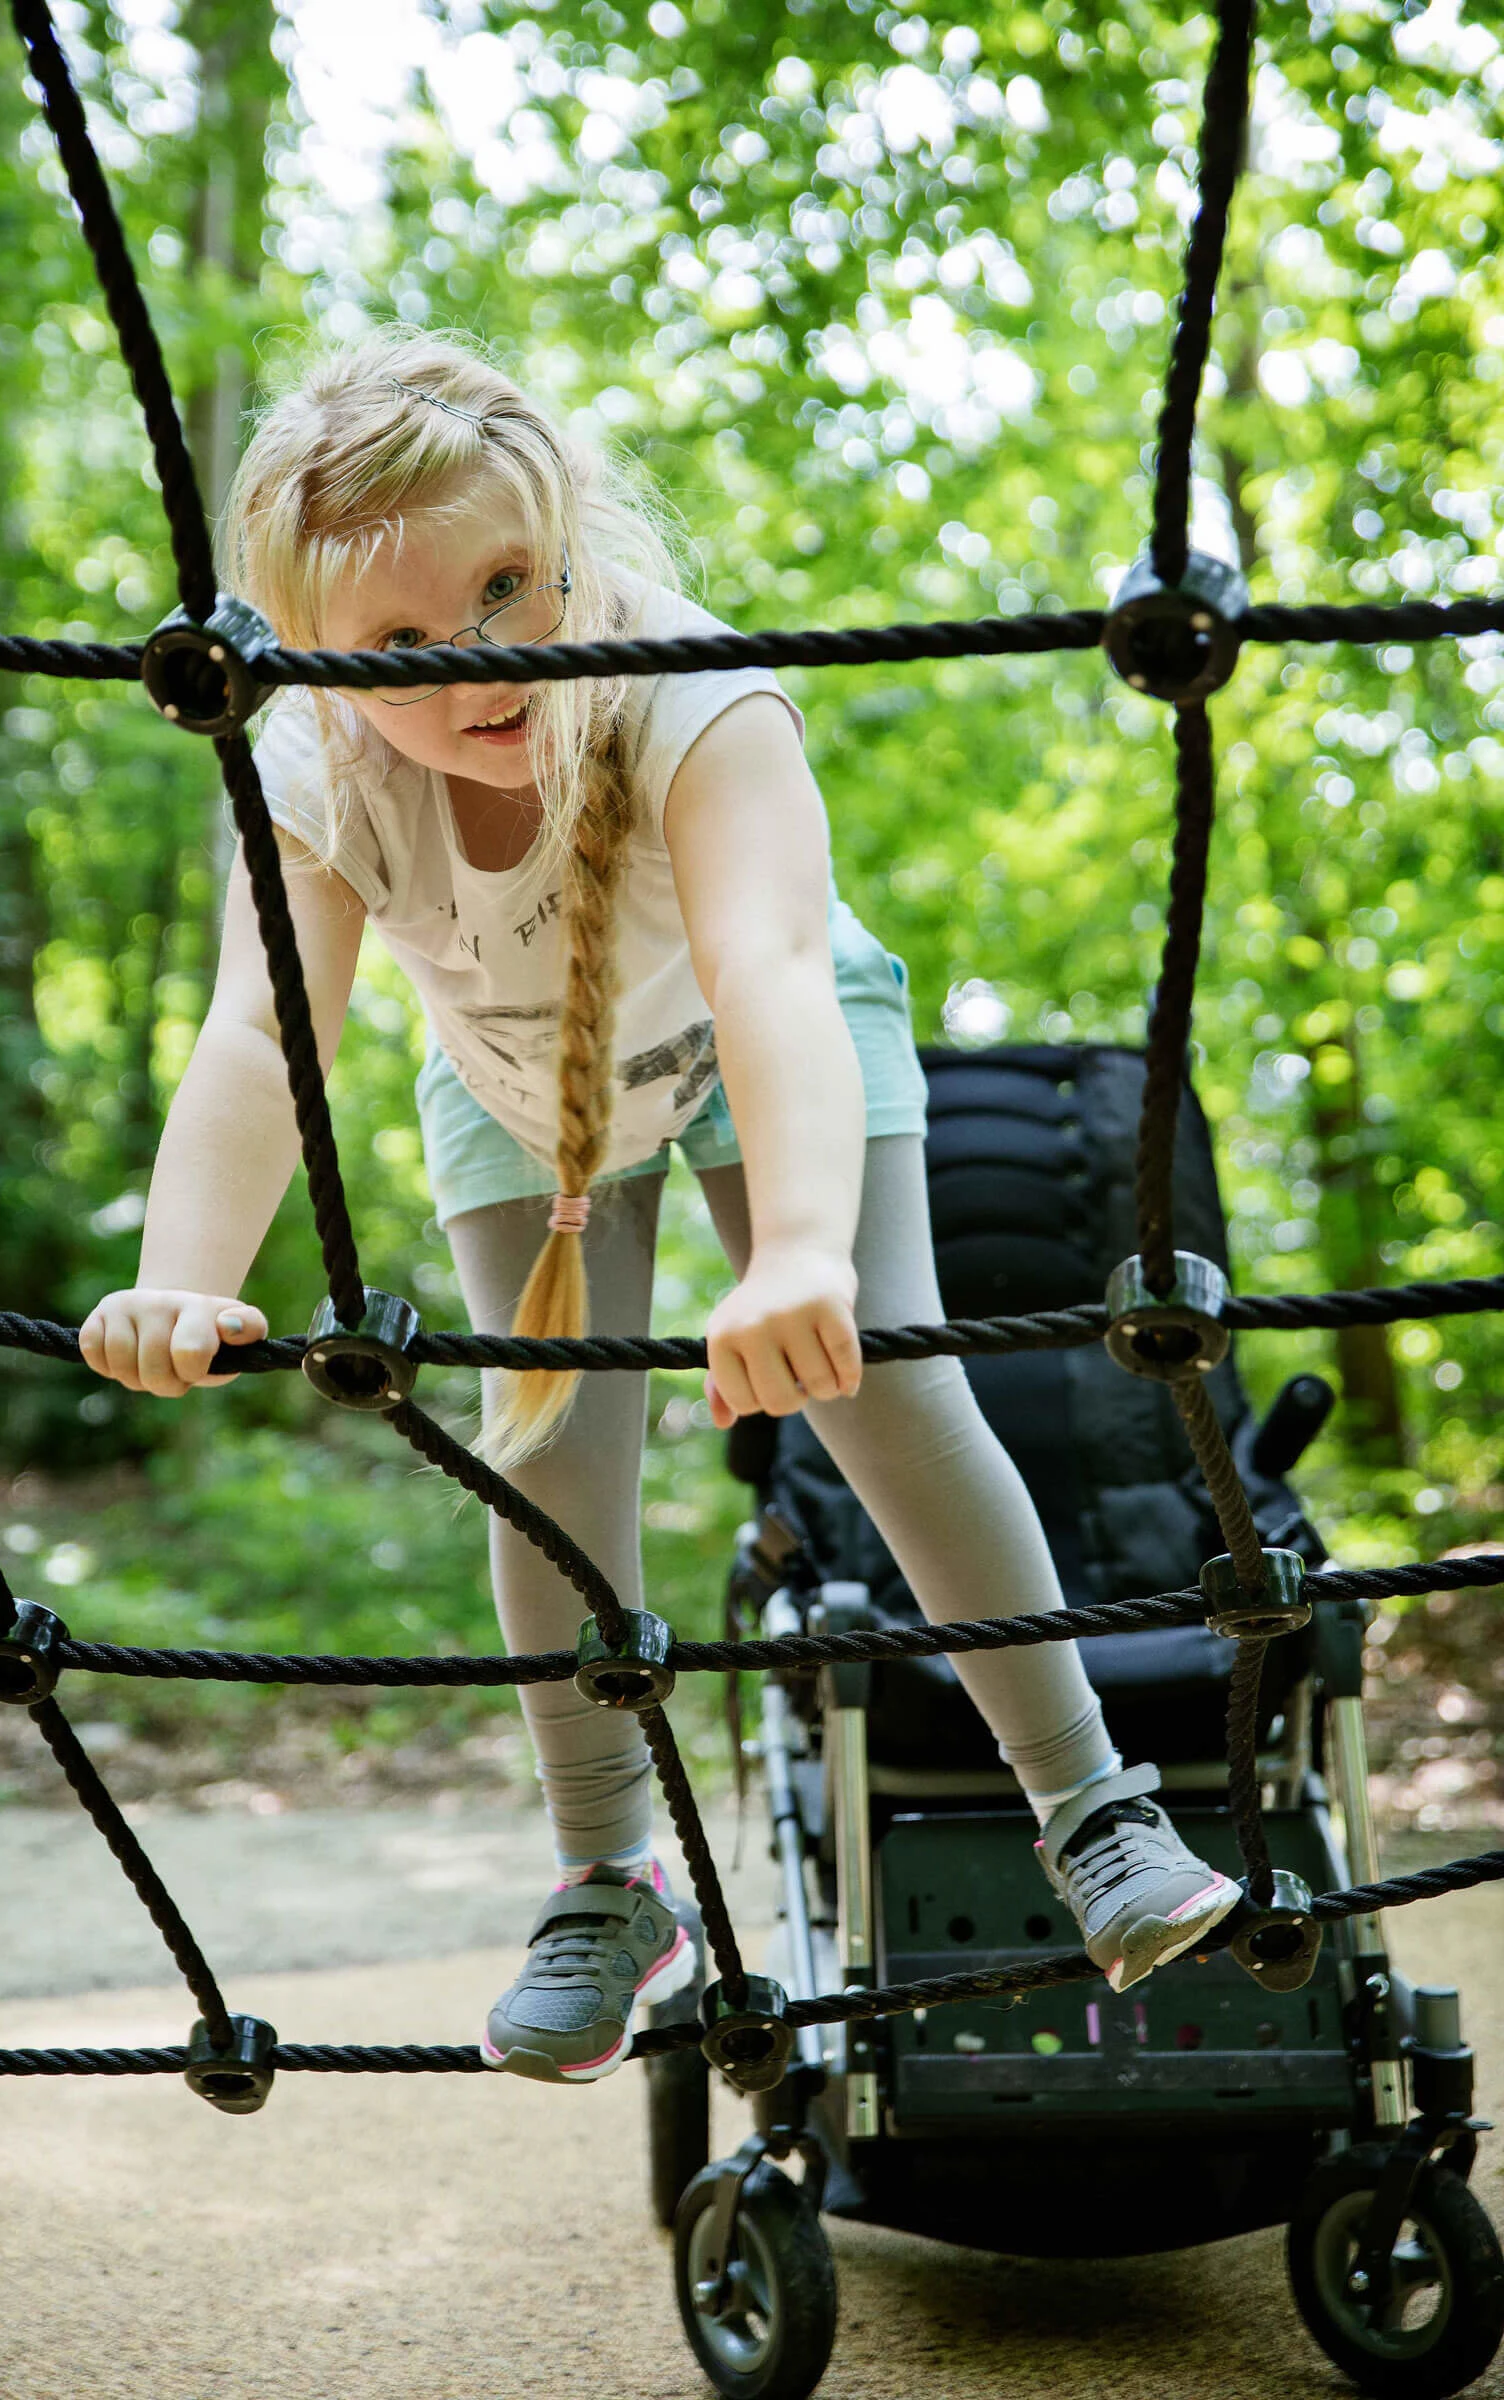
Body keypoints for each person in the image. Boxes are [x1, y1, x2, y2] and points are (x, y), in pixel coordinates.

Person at [79, 332, 1240, 2085]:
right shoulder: (320, 772)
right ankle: (609, 1882)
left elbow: (769, 967)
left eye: (506, 585)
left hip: (760, 1040)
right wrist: (181, 1278)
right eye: (399, 643)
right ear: (318, 659)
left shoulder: (687, 690)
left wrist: (792, 1250)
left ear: (571, 546)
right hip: (514, 1099)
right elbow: (263, 1032)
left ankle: (1092, 1808)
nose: (475, 655)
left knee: (886, 1373)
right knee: (543, 1450)